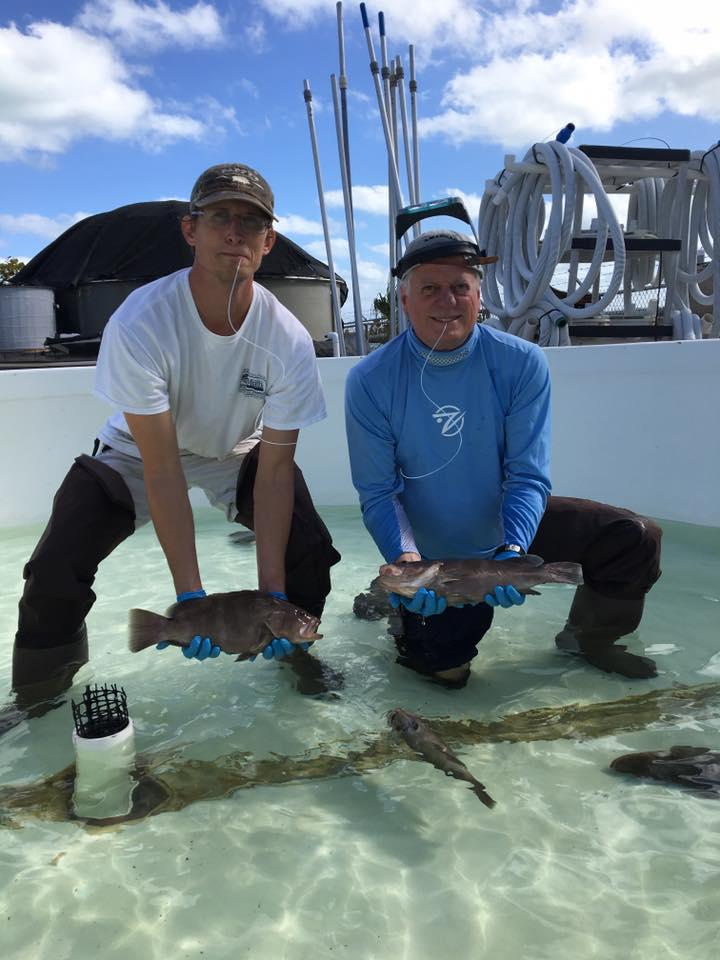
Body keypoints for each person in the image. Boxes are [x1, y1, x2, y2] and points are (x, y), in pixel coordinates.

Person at [11, 162, 341, 712]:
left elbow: (277, 471)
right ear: (192, 230)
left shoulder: (286, 337)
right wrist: (190, 600)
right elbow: (164, 468)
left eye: (251, 223)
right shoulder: (142, 320)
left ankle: (291, 652)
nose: (235, 233)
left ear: (268, 242)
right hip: (138, 453)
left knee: (307, 546)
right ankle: (38, 695)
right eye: (219, 218)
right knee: (55, 564)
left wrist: (271, 598)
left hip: (234, 450)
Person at [345, 229, 661, 689]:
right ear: (405, 300)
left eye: (460, 288)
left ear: (479, 297)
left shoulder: (522, 362)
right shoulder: (370, 380)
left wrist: (512, 554)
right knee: (443, 676)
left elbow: (528, 476)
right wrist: (407, 559)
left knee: (633, 537)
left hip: (504, 536)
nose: (446, 301)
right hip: (432, 554)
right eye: (429, 288)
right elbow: (377, 492)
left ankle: (590, 640)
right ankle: (396, 606)